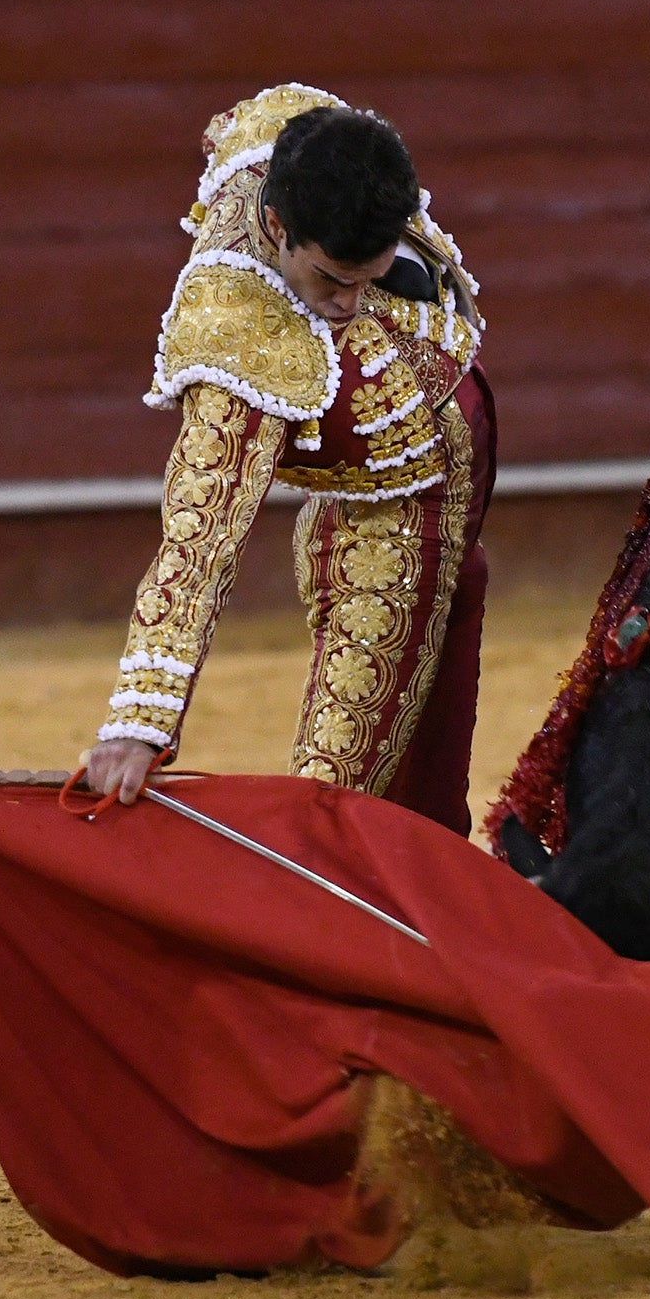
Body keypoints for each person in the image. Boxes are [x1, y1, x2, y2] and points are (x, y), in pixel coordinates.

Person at [83, 83, 493, 836]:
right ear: (275, 225)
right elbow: (200, 538)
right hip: (383, 515)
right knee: (342, 811)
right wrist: (140, 719)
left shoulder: (293, 134)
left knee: (359, 812)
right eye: (332, 280)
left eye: (371, 278)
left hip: (413, 505)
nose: (347, 305)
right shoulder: (238, 331)